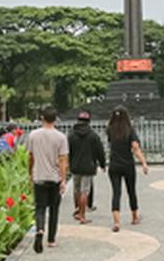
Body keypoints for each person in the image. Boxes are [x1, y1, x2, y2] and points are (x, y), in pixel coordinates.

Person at [25, 106, 68, 253]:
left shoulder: (33, 135)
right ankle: (51, 239)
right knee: (54, 209)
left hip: (39, 176)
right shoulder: (61, 137)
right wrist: (63, 180)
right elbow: (62, 160)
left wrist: (30, 172)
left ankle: (40, 230)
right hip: (54, 178)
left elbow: (30, 157)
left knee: (40, 207)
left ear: (42, 118)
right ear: (55, 119)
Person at [106, 106, 149, 232]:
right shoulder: (130, 130)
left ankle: (116, 222)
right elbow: (135, 148)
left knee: (116, 192)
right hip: (127, 165)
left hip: (114, 165)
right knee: (131, 191)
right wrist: (144, 163)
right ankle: (135, 217)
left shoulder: (110, 130)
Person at [67, 111, 106, 225]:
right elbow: (100, 151)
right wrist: (102, 164)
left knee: (76, 189)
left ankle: (77, 210)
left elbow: (67, 151)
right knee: (85, 191)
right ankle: (83, 216)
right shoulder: (93, 135)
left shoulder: (71, 135)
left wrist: (69, 163)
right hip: (88, 167)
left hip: (75, 166)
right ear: (88, 122)